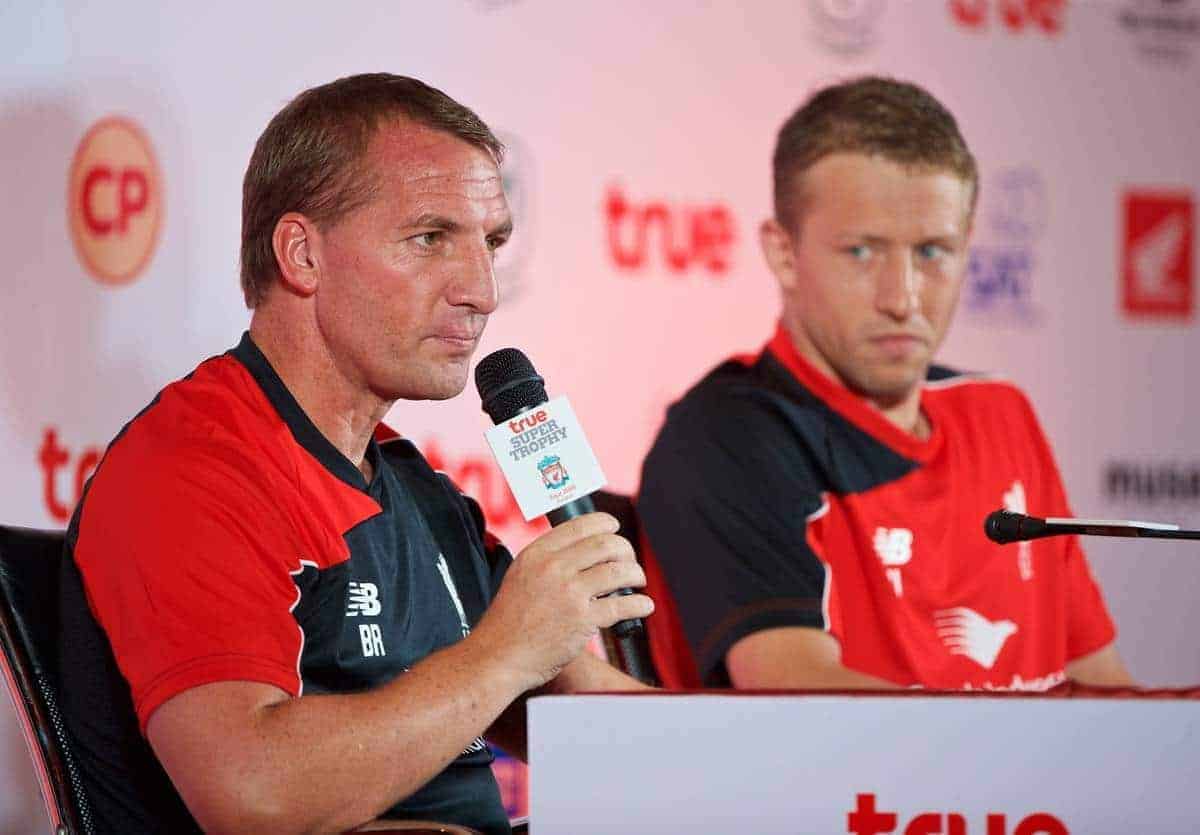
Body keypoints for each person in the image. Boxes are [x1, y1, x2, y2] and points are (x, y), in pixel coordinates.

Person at [57, 73, 653, 835]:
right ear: (302, 255)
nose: (482, 289)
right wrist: (507, 648)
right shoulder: (191, 467)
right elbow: (252, 793)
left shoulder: (411, 484)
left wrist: (787, 762)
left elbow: (594, 723)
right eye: (431, 238)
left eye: (492, 242)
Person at [636, 76, 1132, 693]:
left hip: (1040, 793)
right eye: (862, 253)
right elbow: (800, 699)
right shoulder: (725, 437)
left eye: (932, 251)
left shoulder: (1000, 413)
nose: (903, 299)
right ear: (784, 253)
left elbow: (1103, 686)